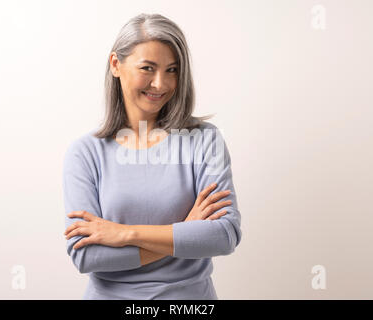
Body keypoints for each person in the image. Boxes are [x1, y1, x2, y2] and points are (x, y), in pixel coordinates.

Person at [62, 13, 242, 300]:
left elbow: (223, 236)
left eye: (172, 70)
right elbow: (88, 257)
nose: (161, 83)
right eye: (148, 68)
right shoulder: (85, 152)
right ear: (116, 65)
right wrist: (184, 233)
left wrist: (126, 234)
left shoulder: (204, 140)